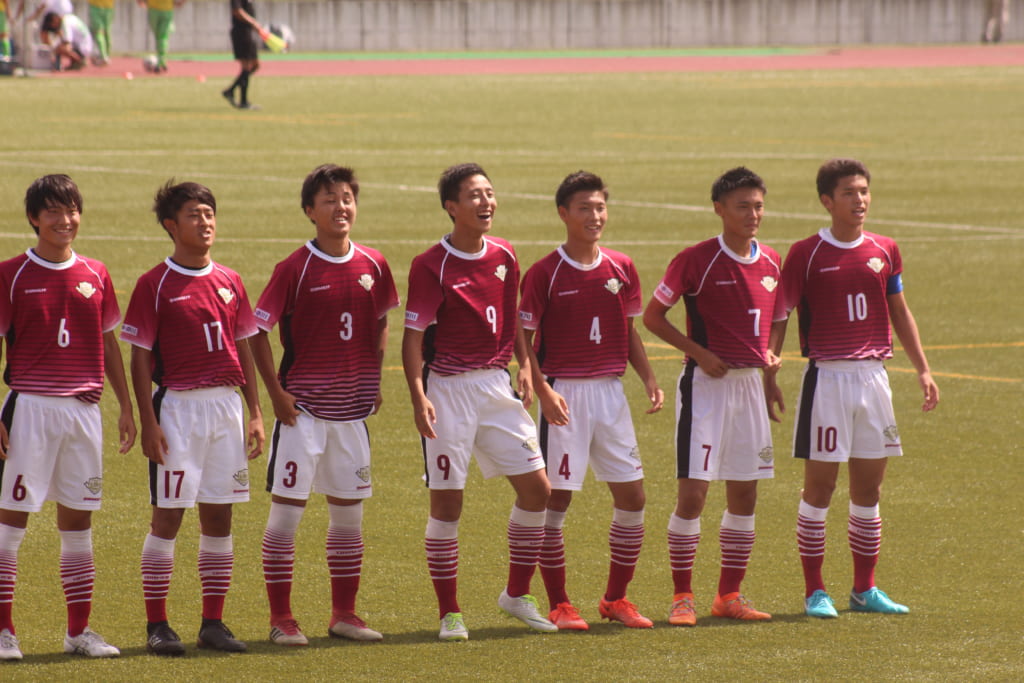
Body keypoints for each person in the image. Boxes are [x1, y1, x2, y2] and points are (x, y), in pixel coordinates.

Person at [769, 158, 939, 619]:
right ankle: (814, 591)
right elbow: (781, 313)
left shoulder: (885, 249)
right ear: (827, 201)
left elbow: (900, 312)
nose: (859, 200)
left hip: (874, 380)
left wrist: (922, 368)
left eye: (864, 191)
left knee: (869, 489)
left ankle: (864, 590)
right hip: (827, 378)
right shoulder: (806, 253)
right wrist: (771, 366)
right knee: (819, 488)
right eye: (849, 193)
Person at [402, 162, 555, 641]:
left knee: (538, 491)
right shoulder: (431, 264)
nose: (486, 202)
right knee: (448, 505)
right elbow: (412, 338)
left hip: (496, 386)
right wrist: (418, 394)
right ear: (451, 207)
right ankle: (450, 613)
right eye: (474, 195)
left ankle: (515, 594)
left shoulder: (506, 254)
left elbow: (512, 317)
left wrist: (526, 367)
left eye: (490, 193)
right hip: (448, 389)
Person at [252, 164, 399, 646]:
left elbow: (379, 319)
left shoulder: (374, 263)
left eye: (347, 198)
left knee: (349, 518)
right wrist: (276, 393)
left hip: (352, 415)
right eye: (329, 200)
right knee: (286, 516)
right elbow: (256, 331)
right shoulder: (294, 267)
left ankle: (344, 615)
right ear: (309, 211)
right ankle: (281, 619)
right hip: (304, 415)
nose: (341, 207)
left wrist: (375, 376)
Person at [120, 180, 264, 656]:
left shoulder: (230, 280)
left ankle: (213, 623)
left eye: (209, 213)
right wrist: (148, 420)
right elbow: (140, 358)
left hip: (226, 407)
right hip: (178, 407)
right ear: (170, 225)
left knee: (219, 516)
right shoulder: (154, 283)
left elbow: (242, 346)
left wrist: (256, 412)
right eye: (193, 215)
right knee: (168, 517)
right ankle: (157, 625)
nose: (204, 222)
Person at [518, 170, 663, 631]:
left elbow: (630, 330)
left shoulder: (621, 267)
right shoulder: (544, 272)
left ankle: (616, 599)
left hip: (610, 394)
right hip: (565, 393)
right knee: (555, 499)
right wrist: (542, 390)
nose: (595, 216)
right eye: (585, 208)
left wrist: (648, 377)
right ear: (564, 213)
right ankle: (560, 603)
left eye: (600, 207)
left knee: (633, 496)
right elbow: (522, 340)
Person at [0, 174, 136, 661]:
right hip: (29, 408)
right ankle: (3, 630)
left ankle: (78, 631)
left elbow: (107, 342)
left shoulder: (96, 273)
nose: (65, 220)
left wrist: (125, 404)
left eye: (72, 209)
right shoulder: (11, 273)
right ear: (35, 218)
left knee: (78, 524)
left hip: (83, 412)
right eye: (54, 212)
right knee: (10, 523)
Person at [643, 167, 784, 626]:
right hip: (704, 388)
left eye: (758, 205)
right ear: (719, 209)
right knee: (694, 496)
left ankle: (729, 595)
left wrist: (771, 362)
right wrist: (698, 353)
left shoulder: (772, 263)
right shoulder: (695, 259)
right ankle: (682, 596)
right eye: (743, 206)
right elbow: (653, 316)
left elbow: (779, 316)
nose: (753, 214)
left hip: (748, 388)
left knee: (744, 495)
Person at [222, 0, 260, 110]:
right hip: (241, 32)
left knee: (255, 65)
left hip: (248, 32)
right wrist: (253, 23)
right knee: (247, 66)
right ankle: (243, 101)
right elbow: (237, 11)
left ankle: (230, 90)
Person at [137, 0, 184, 73]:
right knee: (159, 37)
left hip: (167, 10)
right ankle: (161, 60)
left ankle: (161, 62)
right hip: (153, 10)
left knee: (162, 37)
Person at [86, 0, 113, 65]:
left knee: (99, 32)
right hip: (109, 7)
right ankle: (106, 56)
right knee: (106, 32)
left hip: (96, 7)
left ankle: (104, 57)